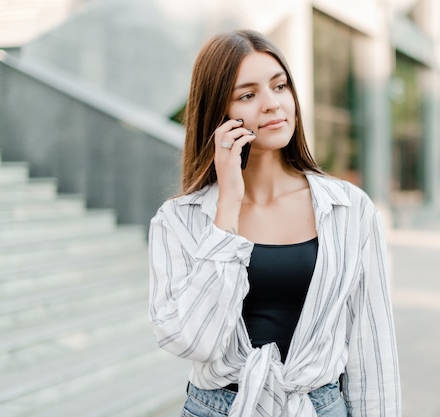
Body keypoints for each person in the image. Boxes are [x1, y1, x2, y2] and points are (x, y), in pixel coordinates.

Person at [148, 29, 401, 417]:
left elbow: (373, 348)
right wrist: (227, 208)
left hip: (318, 406)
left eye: (279, 86)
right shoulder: (178, 220)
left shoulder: (350, 209)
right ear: (219, 114)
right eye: (247, 95)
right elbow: (193, 340)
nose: (272, 104)